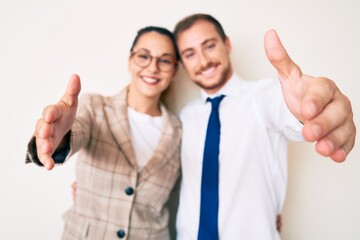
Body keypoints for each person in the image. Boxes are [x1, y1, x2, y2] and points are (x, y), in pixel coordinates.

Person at [173, 14, 356, 239]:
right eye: (189, 54)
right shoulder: (186, 116)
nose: (203, 61)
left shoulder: (263, 97)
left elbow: (287, 111)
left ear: (227, 44)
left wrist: (310, 110)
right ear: (182, 63)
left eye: (209, 46)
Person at [25, 26, 182, 239]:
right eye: (144, 56)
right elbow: (76, 132)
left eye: (164, 60)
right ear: (130, 60)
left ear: (174, 70)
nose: (152, 67)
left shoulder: (180, 131)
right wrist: (57, 136)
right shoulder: (96, 107)